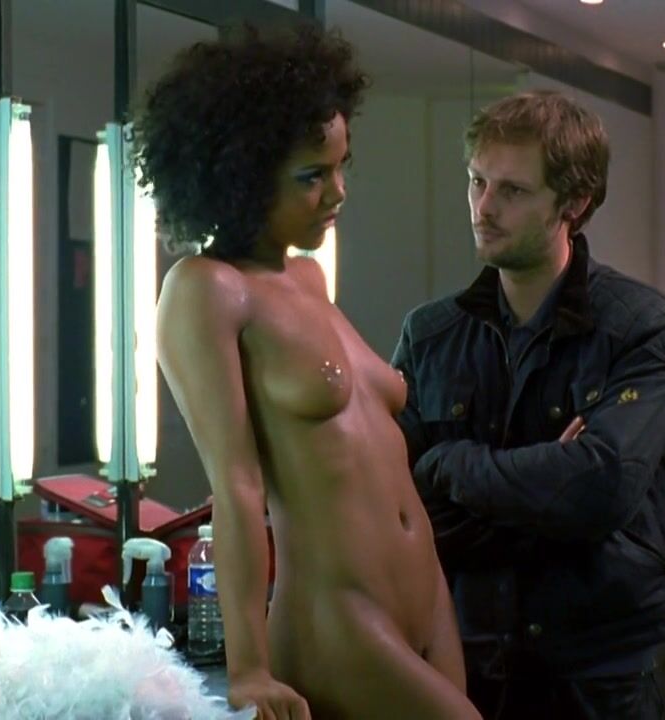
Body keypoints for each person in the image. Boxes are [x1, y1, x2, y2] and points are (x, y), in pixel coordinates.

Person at [134, 25, 480, 720]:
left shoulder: (310, 277)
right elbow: (237, 487)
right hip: (338, 617)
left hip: (426, 598)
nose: (337, 192)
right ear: (240, 176)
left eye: (342, 166)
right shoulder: (207, 289)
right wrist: (248, 670)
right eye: (311, 176)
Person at [391, 89, 665, 719]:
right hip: (466, 662)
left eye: (513, 190)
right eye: (477, 181)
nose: (484, 207)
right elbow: (396, 506)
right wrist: (547, 487)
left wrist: (450, 463)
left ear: (573, 204)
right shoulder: (431, 335)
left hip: (595, 673)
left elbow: (601, 489)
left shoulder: (642, 326)